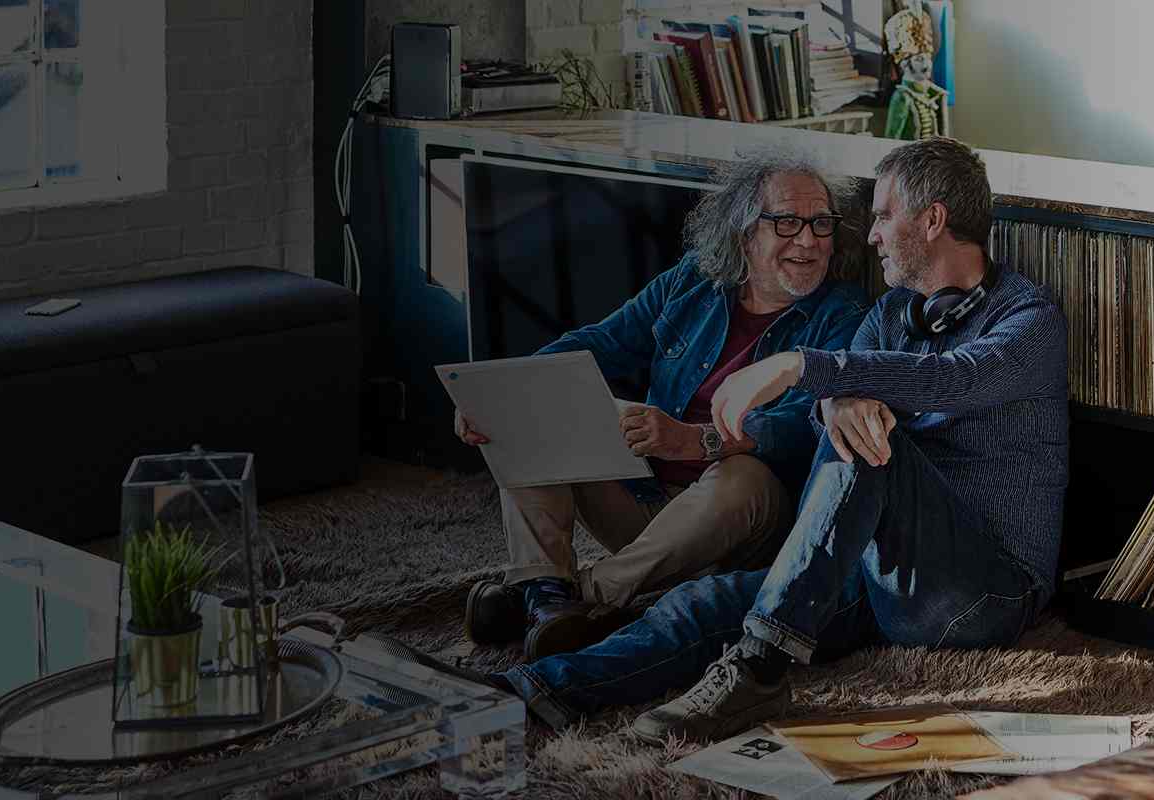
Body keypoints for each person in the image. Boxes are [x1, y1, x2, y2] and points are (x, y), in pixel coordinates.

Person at [482, 136, 1069, 742]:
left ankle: (759, 666)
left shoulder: (1028, 321)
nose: (868, 237)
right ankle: (535, 688)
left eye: (883, 216)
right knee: (700, 606)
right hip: (883, 574)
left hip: (985, 592)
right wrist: (836, 398)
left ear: (933, 219)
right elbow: (821, 420)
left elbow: (954, 379)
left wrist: (804, 369)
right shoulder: (891, 314)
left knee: (869, 441)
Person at [458, 152, 871, 662]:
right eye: (786, 222)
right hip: (644, 498)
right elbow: (600, 343)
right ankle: (543, 589)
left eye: (821, 223)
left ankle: (578, 597)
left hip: (735, 526)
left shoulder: (846, 315)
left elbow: (805, 428)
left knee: (745, 473)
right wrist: (502, 395)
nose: (808, 241)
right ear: (743, 233)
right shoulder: (693, 281)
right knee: (534, 405)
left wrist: (694, 440)